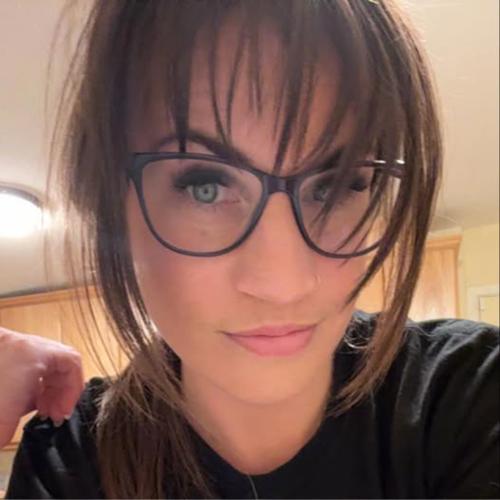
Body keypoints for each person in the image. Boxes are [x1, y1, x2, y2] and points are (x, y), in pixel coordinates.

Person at [1, 0, 499, 498]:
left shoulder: (468, 399)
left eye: (336, 185)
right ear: (112, 207)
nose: (283, 283)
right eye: (206, 187)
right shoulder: (70, 460)